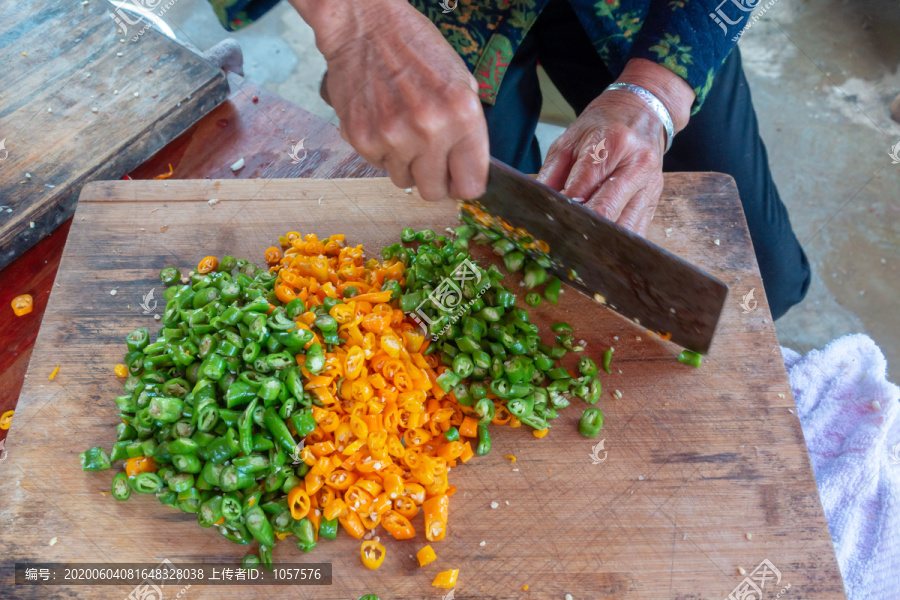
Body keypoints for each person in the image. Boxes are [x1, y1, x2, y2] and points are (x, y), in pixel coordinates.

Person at [208, 0, 810, 319]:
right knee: (473, 251)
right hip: (436, 10)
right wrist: (359, 23)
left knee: (765, 277)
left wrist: (654, 94)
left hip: (652, 12)